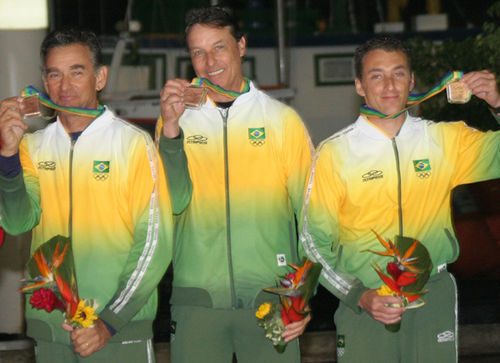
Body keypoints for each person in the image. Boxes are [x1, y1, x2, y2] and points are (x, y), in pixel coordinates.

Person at [300, 35, 500, 362]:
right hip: (367, 301)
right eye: (376, 75)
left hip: (431, 295)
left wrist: (497, 103)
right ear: (360, 86)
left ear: (412, 82)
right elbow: (312, 241)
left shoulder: (444, 140)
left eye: (398, 73)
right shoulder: (334, 154)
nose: (389, 85)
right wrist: (358, 295)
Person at [0, 28, 173, 362]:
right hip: (51, 329)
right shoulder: (30, 148)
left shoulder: (133, 145)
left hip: (116, 332)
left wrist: (108, 323)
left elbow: (155, 243)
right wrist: (7, 156)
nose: (65, 86)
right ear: (44, 81)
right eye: (55, 74)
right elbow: (19, 221)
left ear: (100, 77)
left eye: (77, 72)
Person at [156, 6, 313, 363]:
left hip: (272, 297)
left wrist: (300, 298)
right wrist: (170, 131)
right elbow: (174, 203)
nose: (209, 61)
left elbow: (312, 217)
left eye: (219, 47)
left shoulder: (281, 120)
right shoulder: (175, 122)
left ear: (240, 46)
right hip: (197, 301)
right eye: (198, 52)